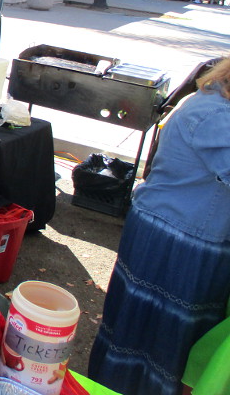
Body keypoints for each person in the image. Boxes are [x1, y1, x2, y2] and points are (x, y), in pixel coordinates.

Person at [89, 56, 230, 395]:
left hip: (180, 234)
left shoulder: (214, 100)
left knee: (149, 334)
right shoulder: (215, 115)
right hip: (175, 242)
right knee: (156, 340)